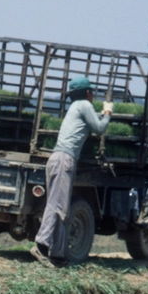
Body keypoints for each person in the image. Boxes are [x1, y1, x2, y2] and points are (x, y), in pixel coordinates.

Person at [32, 76, 112, 267]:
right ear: (87, 93)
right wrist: (107, 112)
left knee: (62, 208)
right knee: (57, 206)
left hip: (59, 159)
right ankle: (41, 246)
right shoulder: (84, 105)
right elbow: (100, 128)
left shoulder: (75, 107)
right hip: (64, 160)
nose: (93, 95)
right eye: (92, 92)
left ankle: (57, 255)